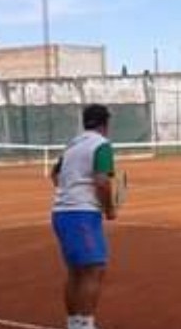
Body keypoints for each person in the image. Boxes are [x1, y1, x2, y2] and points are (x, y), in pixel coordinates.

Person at [50, 104, 117, 329]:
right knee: (94, 270)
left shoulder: (73, 144)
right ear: (105, 124)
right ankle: (85, 325)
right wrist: (109, 208)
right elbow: (102, 181)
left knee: (76, 272)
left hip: (61, 213)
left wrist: (69, 191)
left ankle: (75, 324)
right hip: (82, 215)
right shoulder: (102, 145)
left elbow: (55, 174)